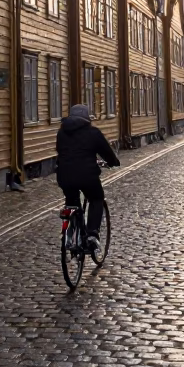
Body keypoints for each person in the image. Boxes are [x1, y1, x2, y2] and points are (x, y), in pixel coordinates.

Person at [56, 104, 120, 255]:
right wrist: (113, 162)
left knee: (72, 201)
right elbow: (106, 151)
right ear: (87, 118)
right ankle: (92, 234)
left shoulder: (61, 133)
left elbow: (60, 151)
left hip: (64, 175)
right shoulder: (93, 132)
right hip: (87, 176)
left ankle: (71, 230)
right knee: (96, 199)